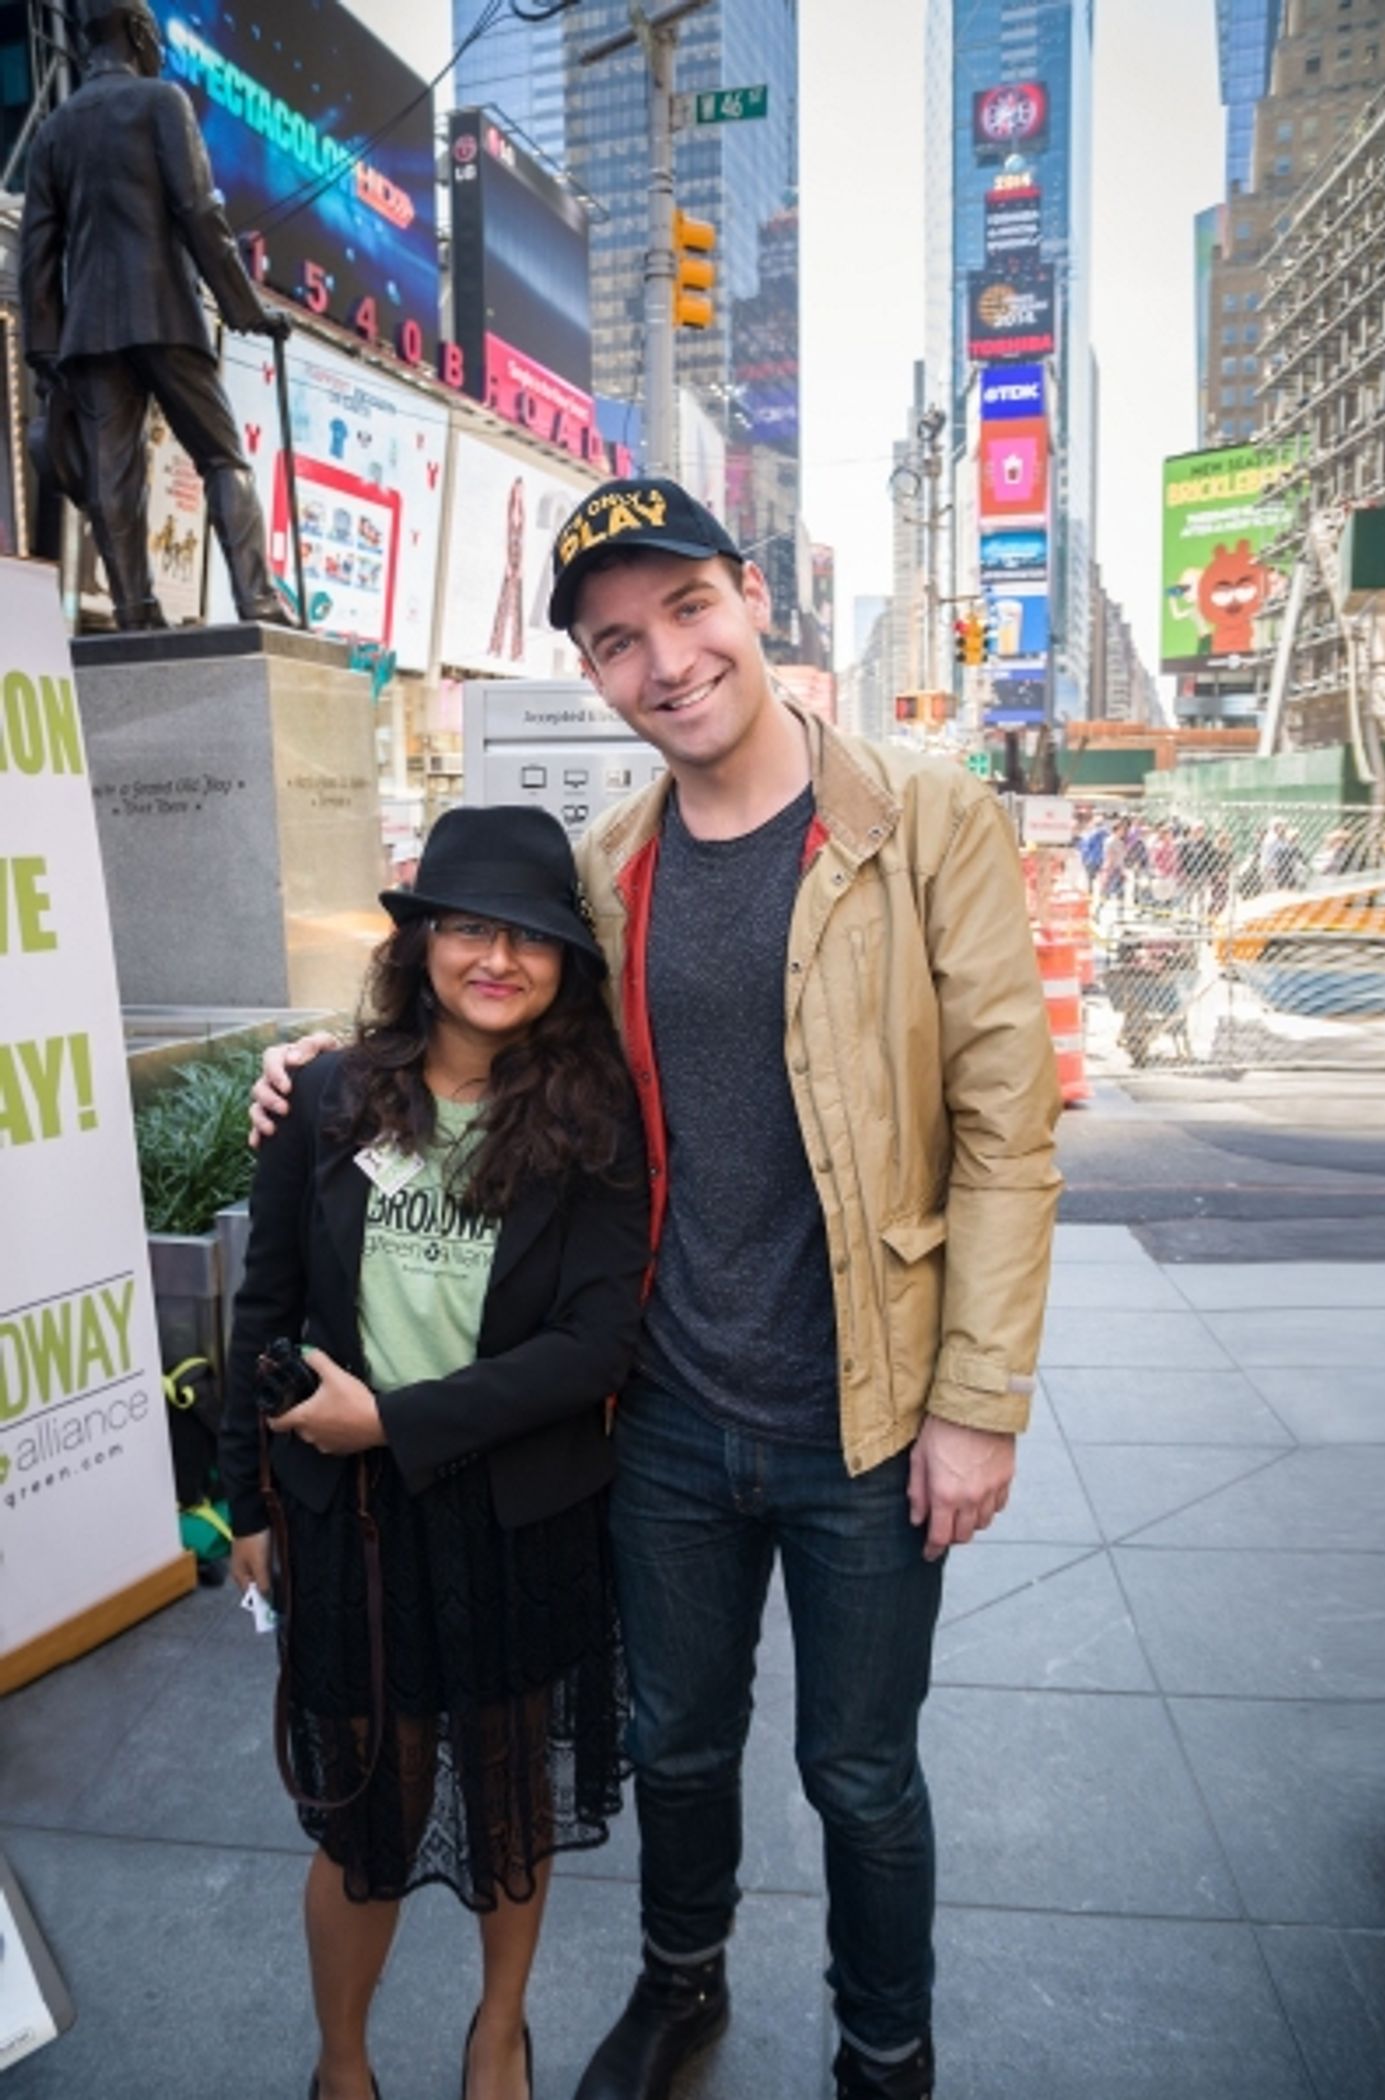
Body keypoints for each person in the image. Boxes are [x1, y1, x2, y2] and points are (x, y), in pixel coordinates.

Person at [253, 476, 1062, 2100]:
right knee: (672, 1746)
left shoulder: (922, 823)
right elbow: (492, 1027)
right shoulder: (607, 868)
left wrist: (975, 1405)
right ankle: (679, 1987)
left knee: (858, 1772)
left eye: (686, 611)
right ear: (597, 676)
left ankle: (883, 2046)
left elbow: (1008, 1129)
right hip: (667, 1419)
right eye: (618, 642)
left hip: (868, 1407)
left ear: (751, 597)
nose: (666, 660)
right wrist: (334, 1059)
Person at [226, 805, 649, 2100]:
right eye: (469, 927)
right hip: (350, 1523)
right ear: (421, 944)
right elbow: (265, 1306)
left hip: (519, 1516)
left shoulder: (595, 1124)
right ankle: (343, 2063)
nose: (498, 959)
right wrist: (243, 1501)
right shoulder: (329, 1097)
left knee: (510, 1802)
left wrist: (398, 1421)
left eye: (530, 938)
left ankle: (497, 2035)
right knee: (368, 1807)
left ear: (568, 963)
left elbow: (592, 1347)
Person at [19, 0, 291, 628]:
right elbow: (200, 211)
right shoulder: (162, 103)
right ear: (141, 33)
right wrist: (245, 310)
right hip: (166, 311)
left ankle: (134, 611)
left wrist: (43, 353)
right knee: (222, 457)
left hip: (88, 332)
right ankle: (256, 599)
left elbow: (37, 253)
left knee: (114, 477)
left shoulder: (55, 130)